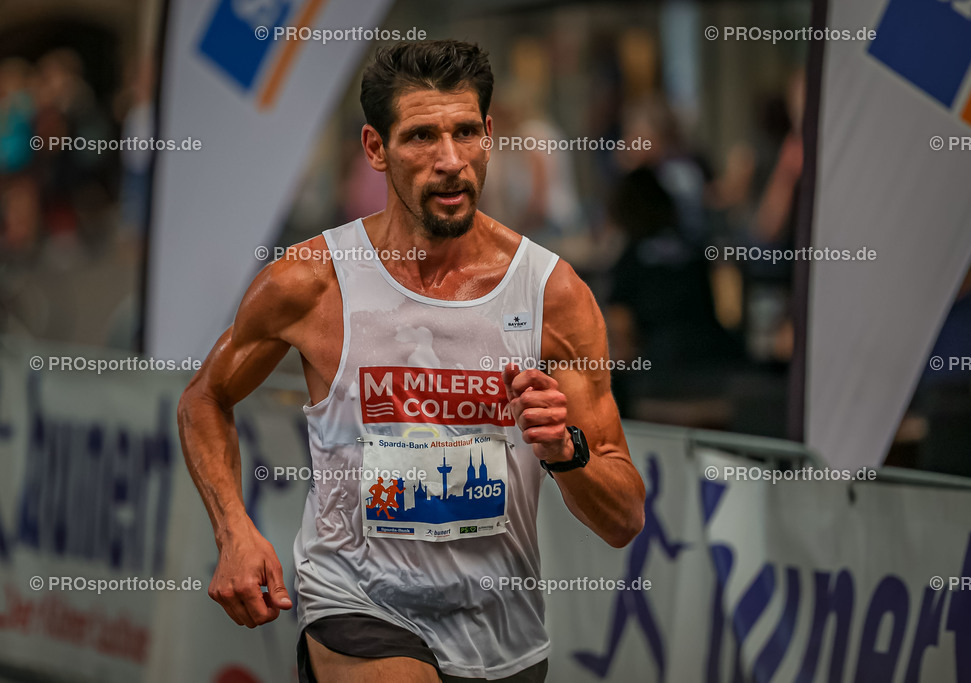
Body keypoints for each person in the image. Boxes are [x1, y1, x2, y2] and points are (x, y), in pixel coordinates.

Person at [177, 40, 645, 683]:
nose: (449, 161)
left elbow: (624, 518)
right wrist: (233, 530)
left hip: (503, 631)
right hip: (356, 600)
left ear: (489, 136)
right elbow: (205, 397)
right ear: (376, 148)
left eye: (464, 133)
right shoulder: (313, 281)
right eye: (422, 137)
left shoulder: (551, 294)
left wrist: (567, 452)